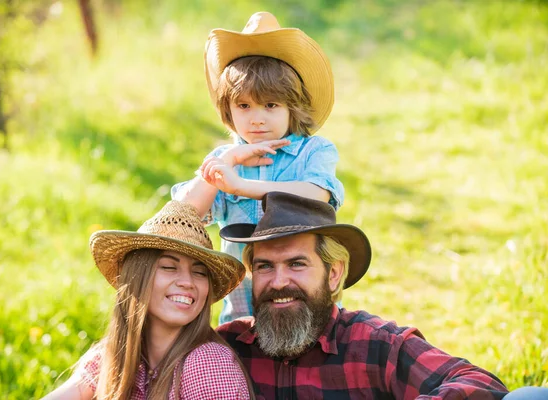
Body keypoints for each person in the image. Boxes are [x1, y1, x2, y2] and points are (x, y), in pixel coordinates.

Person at [217, 192, 548, 399]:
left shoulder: (373, 345)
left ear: (333, 274)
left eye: (296, 264)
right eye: (264, 267)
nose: (278, 282)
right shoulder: (226, 349)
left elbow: (478, 383)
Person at [172, 11, 345, 324]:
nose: (257, 118)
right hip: (242, 309)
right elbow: (181, 217)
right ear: (228, 110)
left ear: (294, 107)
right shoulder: (226, 159)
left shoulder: (312, 151)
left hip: (304, 305)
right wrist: (222, 167)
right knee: (245, 362)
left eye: (271, 105)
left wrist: (241, 187)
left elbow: (316, 195)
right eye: (244, 106)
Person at [42, 201, 254, 399]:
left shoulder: (206, 364)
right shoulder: (117, 355)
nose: (187, 282)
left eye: (199, 273)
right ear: (138, 278)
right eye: (169, 267)